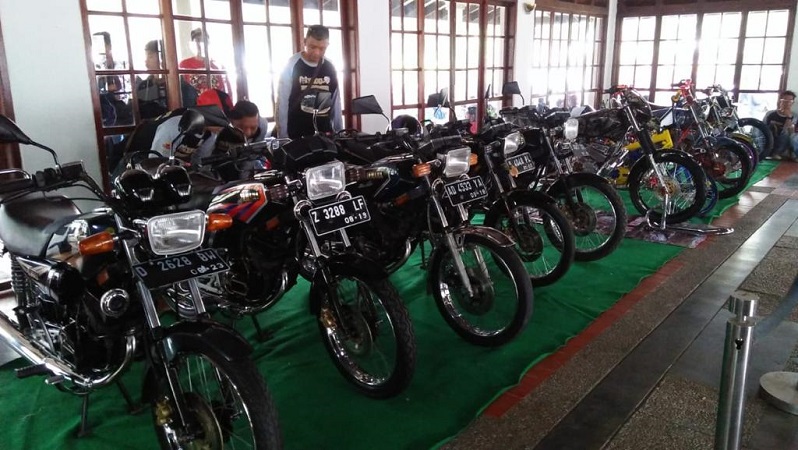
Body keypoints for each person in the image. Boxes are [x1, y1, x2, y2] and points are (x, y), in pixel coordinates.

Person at [275, 25, 343, 139]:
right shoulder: (292, 65)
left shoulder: (329, 67)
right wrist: (283, 137)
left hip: (323, 134)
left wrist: (339, 133)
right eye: (312, 47)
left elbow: (336, 102)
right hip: (296, 133)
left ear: (327, 45)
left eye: (322, 48)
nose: (316, 53)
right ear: (305, 42)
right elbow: (282, 102)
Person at [138, 40, 198, 120]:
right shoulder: (144, 86)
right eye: (146, 57)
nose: (146, 61)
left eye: (150, 56)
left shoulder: (184, 89)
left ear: (163, 59)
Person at [178, 28, 232, 95]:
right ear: (192, 44)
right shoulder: (184, 65)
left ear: (209, 42)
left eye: (204, 40)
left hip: (214, 101)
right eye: (197, 40)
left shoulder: (218, 66)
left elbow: (227, 92)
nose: (201, 44)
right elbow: (180, 90)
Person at [763, 90, 798, 160]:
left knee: (786, 133)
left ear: (793, 103)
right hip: (769, 138)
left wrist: (788, 117)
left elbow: (791, 133)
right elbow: (763, 127)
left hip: (783, 141)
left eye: (790, 101)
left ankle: (776, 153)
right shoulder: (770, 114)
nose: (787, 103)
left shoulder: (794, 116)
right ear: (780, 101)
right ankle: (763, 151)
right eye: (785, 100)